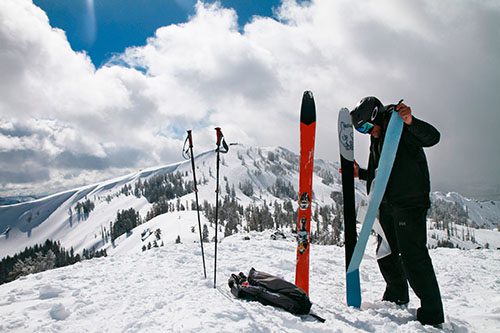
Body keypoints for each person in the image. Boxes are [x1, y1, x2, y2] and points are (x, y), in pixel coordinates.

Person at [350, 96, 444, 326]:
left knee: (413, 256)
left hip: (409, 203)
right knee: (386, 252)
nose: (366, 132)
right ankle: (396, 295)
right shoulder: (379, 136)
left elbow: (433, 137)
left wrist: (411, 121)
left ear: (375, 116)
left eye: (366, 126)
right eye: (361, 130)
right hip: (387, 204)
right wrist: (360, 174)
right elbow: (379, 172)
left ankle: (432, 313)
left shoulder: (399, 125)